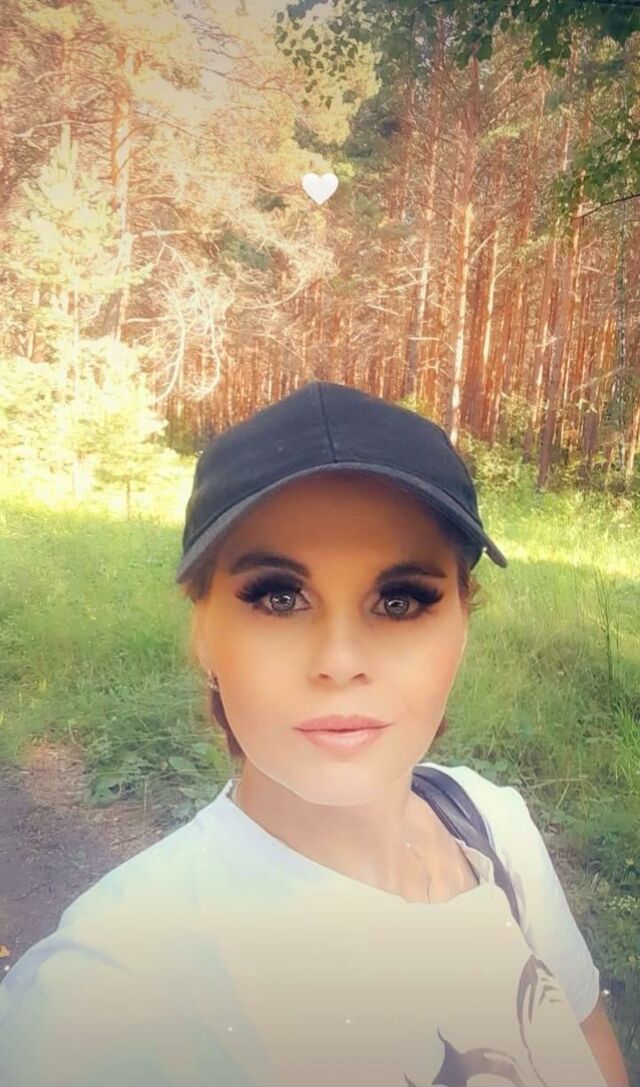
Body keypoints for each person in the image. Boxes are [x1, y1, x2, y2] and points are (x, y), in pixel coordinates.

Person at [0, 380, 628, 1087]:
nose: (340, 661)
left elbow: (592, 1049)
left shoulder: (493, 824)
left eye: (399, 601)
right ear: (202, 630)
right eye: (279, 596)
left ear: (463, 625)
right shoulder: (105, 995)